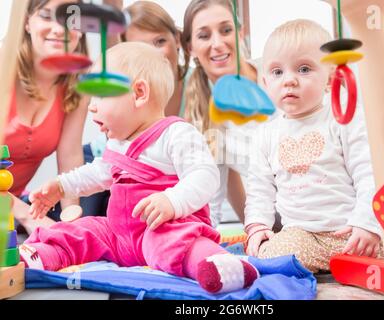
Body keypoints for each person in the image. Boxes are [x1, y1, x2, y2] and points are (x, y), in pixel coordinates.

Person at [19, 42, 259, 294]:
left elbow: (205, 176)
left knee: (176, 243)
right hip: (119, 235)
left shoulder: (176, 134)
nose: (91, 105)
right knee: (83, 230)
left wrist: (172, 201)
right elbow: (98, 173)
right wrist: (61, 186)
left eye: (100, 95)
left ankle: (220, 265)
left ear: (139, 93)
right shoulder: (117, 143)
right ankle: (41, 255)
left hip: (160, 229)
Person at [244, 19, 383, 273]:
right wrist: (258, 226)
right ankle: (333, 265)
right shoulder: (264, 135)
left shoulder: (343, 117)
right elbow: (259, 191)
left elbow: (368, 172)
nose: (289, 80)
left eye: (304, 69)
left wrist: (366, 223)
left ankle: (354, 259)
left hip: (352, 231)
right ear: (265, 82)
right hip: (304, 236)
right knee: (267, 257)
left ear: (330, 77)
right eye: (277, 72)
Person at [82, 1, 194, 219]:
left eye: (159, 41)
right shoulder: (126, 89)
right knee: (91, 222)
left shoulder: (194, 85)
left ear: (177, 40)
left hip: (154, 174)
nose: (152, 54)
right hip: (104, 160)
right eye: (140, 47)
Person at [181, 0, 269, 226]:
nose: (217, 43)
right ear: (190, 47)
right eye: (204, 35)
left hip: (330, 210)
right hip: (274, 226)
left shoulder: (275, 75)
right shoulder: (203, 118)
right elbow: (212, 199)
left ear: (240, 33)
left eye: (226, 30)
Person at [5, 0, 89, 234]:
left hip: (8, 215)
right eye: (46, 15)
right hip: (15, 211)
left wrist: (70, 223)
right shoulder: (3, 68)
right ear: (27, 22)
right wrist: (26, 216)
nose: (59, 28)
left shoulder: (78, 83)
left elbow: (70, 156)